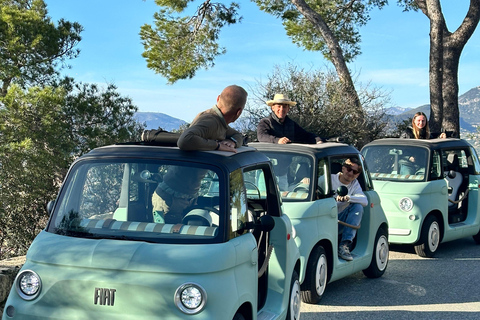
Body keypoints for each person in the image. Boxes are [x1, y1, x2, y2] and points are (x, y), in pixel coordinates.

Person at [177, 85, 248, 153]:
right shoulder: (211, 122)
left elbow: (237, 135)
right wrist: (217, 145)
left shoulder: (220, 122)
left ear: (218, 98)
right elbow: (184, 140)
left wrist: (233, 142)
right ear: (239, 112)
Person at [331, 158, 368, 261]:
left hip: (339, 221)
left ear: (357, 175)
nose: (351, 173)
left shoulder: (355, 184)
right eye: (348, 169)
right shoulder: (328, 179)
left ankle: (344, 245)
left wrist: (348, 198)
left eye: (355, 172)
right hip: (324, 217)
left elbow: (365, 201)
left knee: (358, 206)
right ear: (343, 168)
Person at [257, 93, 324, 144]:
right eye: (279, 106)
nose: (281, 109)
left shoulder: (291, 124)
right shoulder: (265, 122)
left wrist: (317, 140)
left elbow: (305, 135)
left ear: (288, 109)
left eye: (284, 107)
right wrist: (278, 140)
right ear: (273, 108)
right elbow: (262, 136)